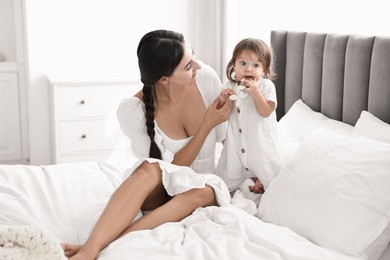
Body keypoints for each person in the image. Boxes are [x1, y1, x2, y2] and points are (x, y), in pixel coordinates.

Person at [62, 29, 232, 259]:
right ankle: (91, 247)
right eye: (187, 66)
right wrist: (206, 125)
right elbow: (170, 171)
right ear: (163, 78)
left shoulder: (206, 79)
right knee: (149, 168)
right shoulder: (133, 112)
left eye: (193, 56)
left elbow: (228, 137)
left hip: (198, 188)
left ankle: (93, 248)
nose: (198, 67)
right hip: (163, 190)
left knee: (203, 191)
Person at [216, 37, 283, 205]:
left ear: (264, 69)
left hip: (261, 149)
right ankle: (248, 179)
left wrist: (255, 93)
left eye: (255, 65)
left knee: (276, 187)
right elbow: (221, 113)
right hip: (235, 151)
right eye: (243, 63)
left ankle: (261, 178)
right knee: (220, 187)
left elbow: (266, 111)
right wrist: (223, 100)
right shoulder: (230, 85)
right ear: (234, 64)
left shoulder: (266, 86)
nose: (248, 69)